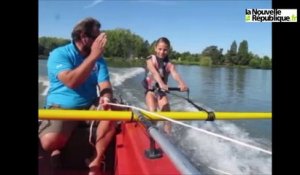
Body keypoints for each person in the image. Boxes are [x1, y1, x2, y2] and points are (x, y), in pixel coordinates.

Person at [39, 17, 115, 175]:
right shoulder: (59, 54)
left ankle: (95, 161)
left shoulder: (99, 60)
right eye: (96, 38)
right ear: (83, 36)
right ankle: (57, 149)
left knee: (111, 111)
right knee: (48, 142)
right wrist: (93, 56)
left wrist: (106, 96)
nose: (100, 43)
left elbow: (105, 85)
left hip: (88, 105)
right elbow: (71, 81)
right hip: (61, 108)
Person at [142, 37, 188, 134]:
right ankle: (152, 135)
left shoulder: (169, 64)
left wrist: (182, 84)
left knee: (167, 116)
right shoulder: (150, 60)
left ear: (168, 50)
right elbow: (154, 72)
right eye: (160, 49)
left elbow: (175, 74)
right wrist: (162, 83)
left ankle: (168, 136)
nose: (162, 52)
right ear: (155, 48)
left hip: (161, 92)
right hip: (150, 91)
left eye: (165, 49)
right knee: (153, 113)